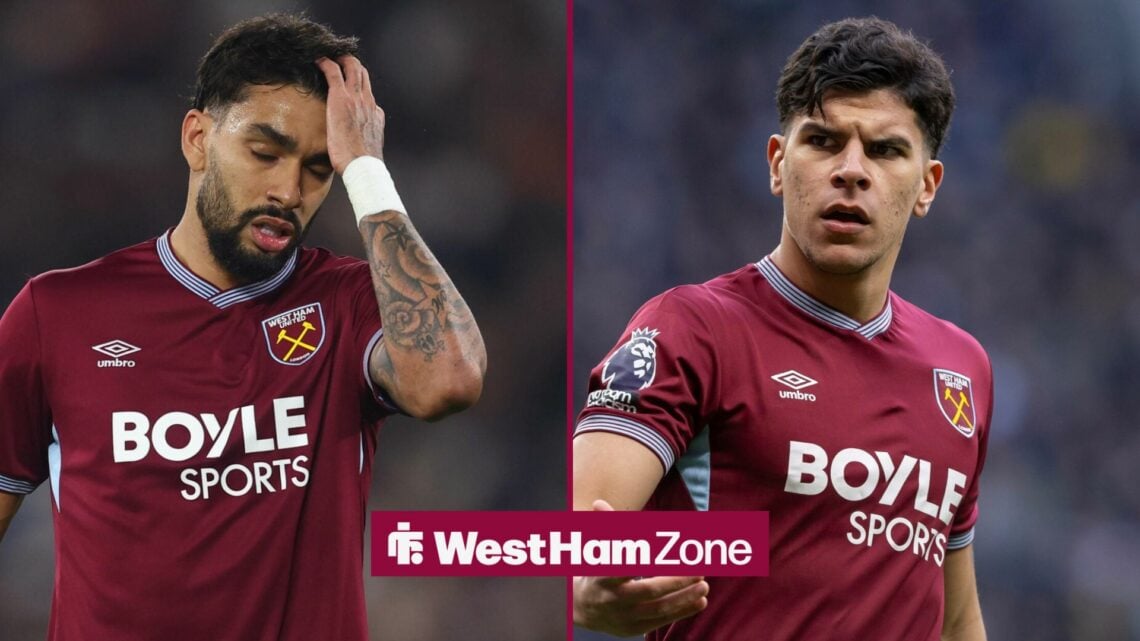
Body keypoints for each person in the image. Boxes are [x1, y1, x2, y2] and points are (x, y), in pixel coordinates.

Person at [0, 13, 485, 641]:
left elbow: (450, 380)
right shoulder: (57, 314)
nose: (288, 189)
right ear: (198, 139)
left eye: (319, 168)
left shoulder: (347, 301)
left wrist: (366, 170)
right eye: (265, 152)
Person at [573, 17, 989, 640]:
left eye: (885, 149)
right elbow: (583, 536)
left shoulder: (962, 369)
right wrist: (587, 590)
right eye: (823, 141)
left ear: (927, 185)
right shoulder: (695, 330)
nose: (851, 170)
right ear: (777, 163)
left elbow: (956, 620)